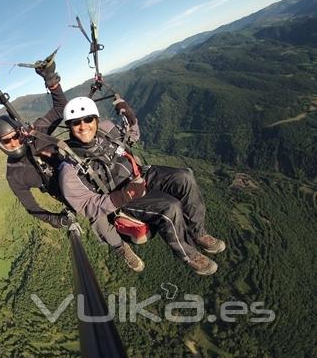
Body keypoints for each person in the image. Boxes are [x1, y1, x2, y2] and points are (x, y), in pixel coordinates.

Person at [58, 96, 226, 275]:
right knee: (170, 207)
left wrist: (130, 117)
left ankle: (198, 233)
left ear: (96, 119)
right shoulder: (69, 168)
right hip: (120, 196)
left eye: (88, 119)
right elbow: (87, 206)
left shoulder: (106, 129)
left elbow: (132, 136)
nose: (84, 126)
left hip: (140, 174)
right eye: (76, 123)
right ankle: (189, 255)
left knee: (185, 177)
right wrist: (124, 196)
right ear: (69, 127)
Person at [0, 61, 72, 228]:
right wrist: (56, 220)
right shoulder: (14, 175)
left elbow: (60, 109)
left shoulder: (36, 134)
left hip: (84, 170)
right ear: (0, 144)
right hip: (69, 194)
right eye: (7, 140)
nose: (14, 142)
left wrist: (52, 82)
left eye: (16, 136)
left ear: (21, 132)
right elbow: (32, 208)